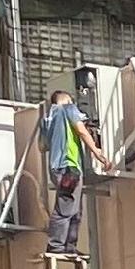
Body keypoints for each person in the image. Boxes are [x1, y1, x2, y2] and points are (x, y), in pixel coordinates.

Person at [38, 77, 102, 256]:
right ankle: (57, 246)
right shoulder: (67, 109)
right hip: (69, 166)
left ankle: (69, 247)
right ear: (66, 99)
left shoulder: (47, 119)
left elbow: (42, 147)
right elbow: (81, 130)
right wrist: (97, 152)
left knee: (75, 208)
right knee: (66, 208)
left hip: (57, 168)